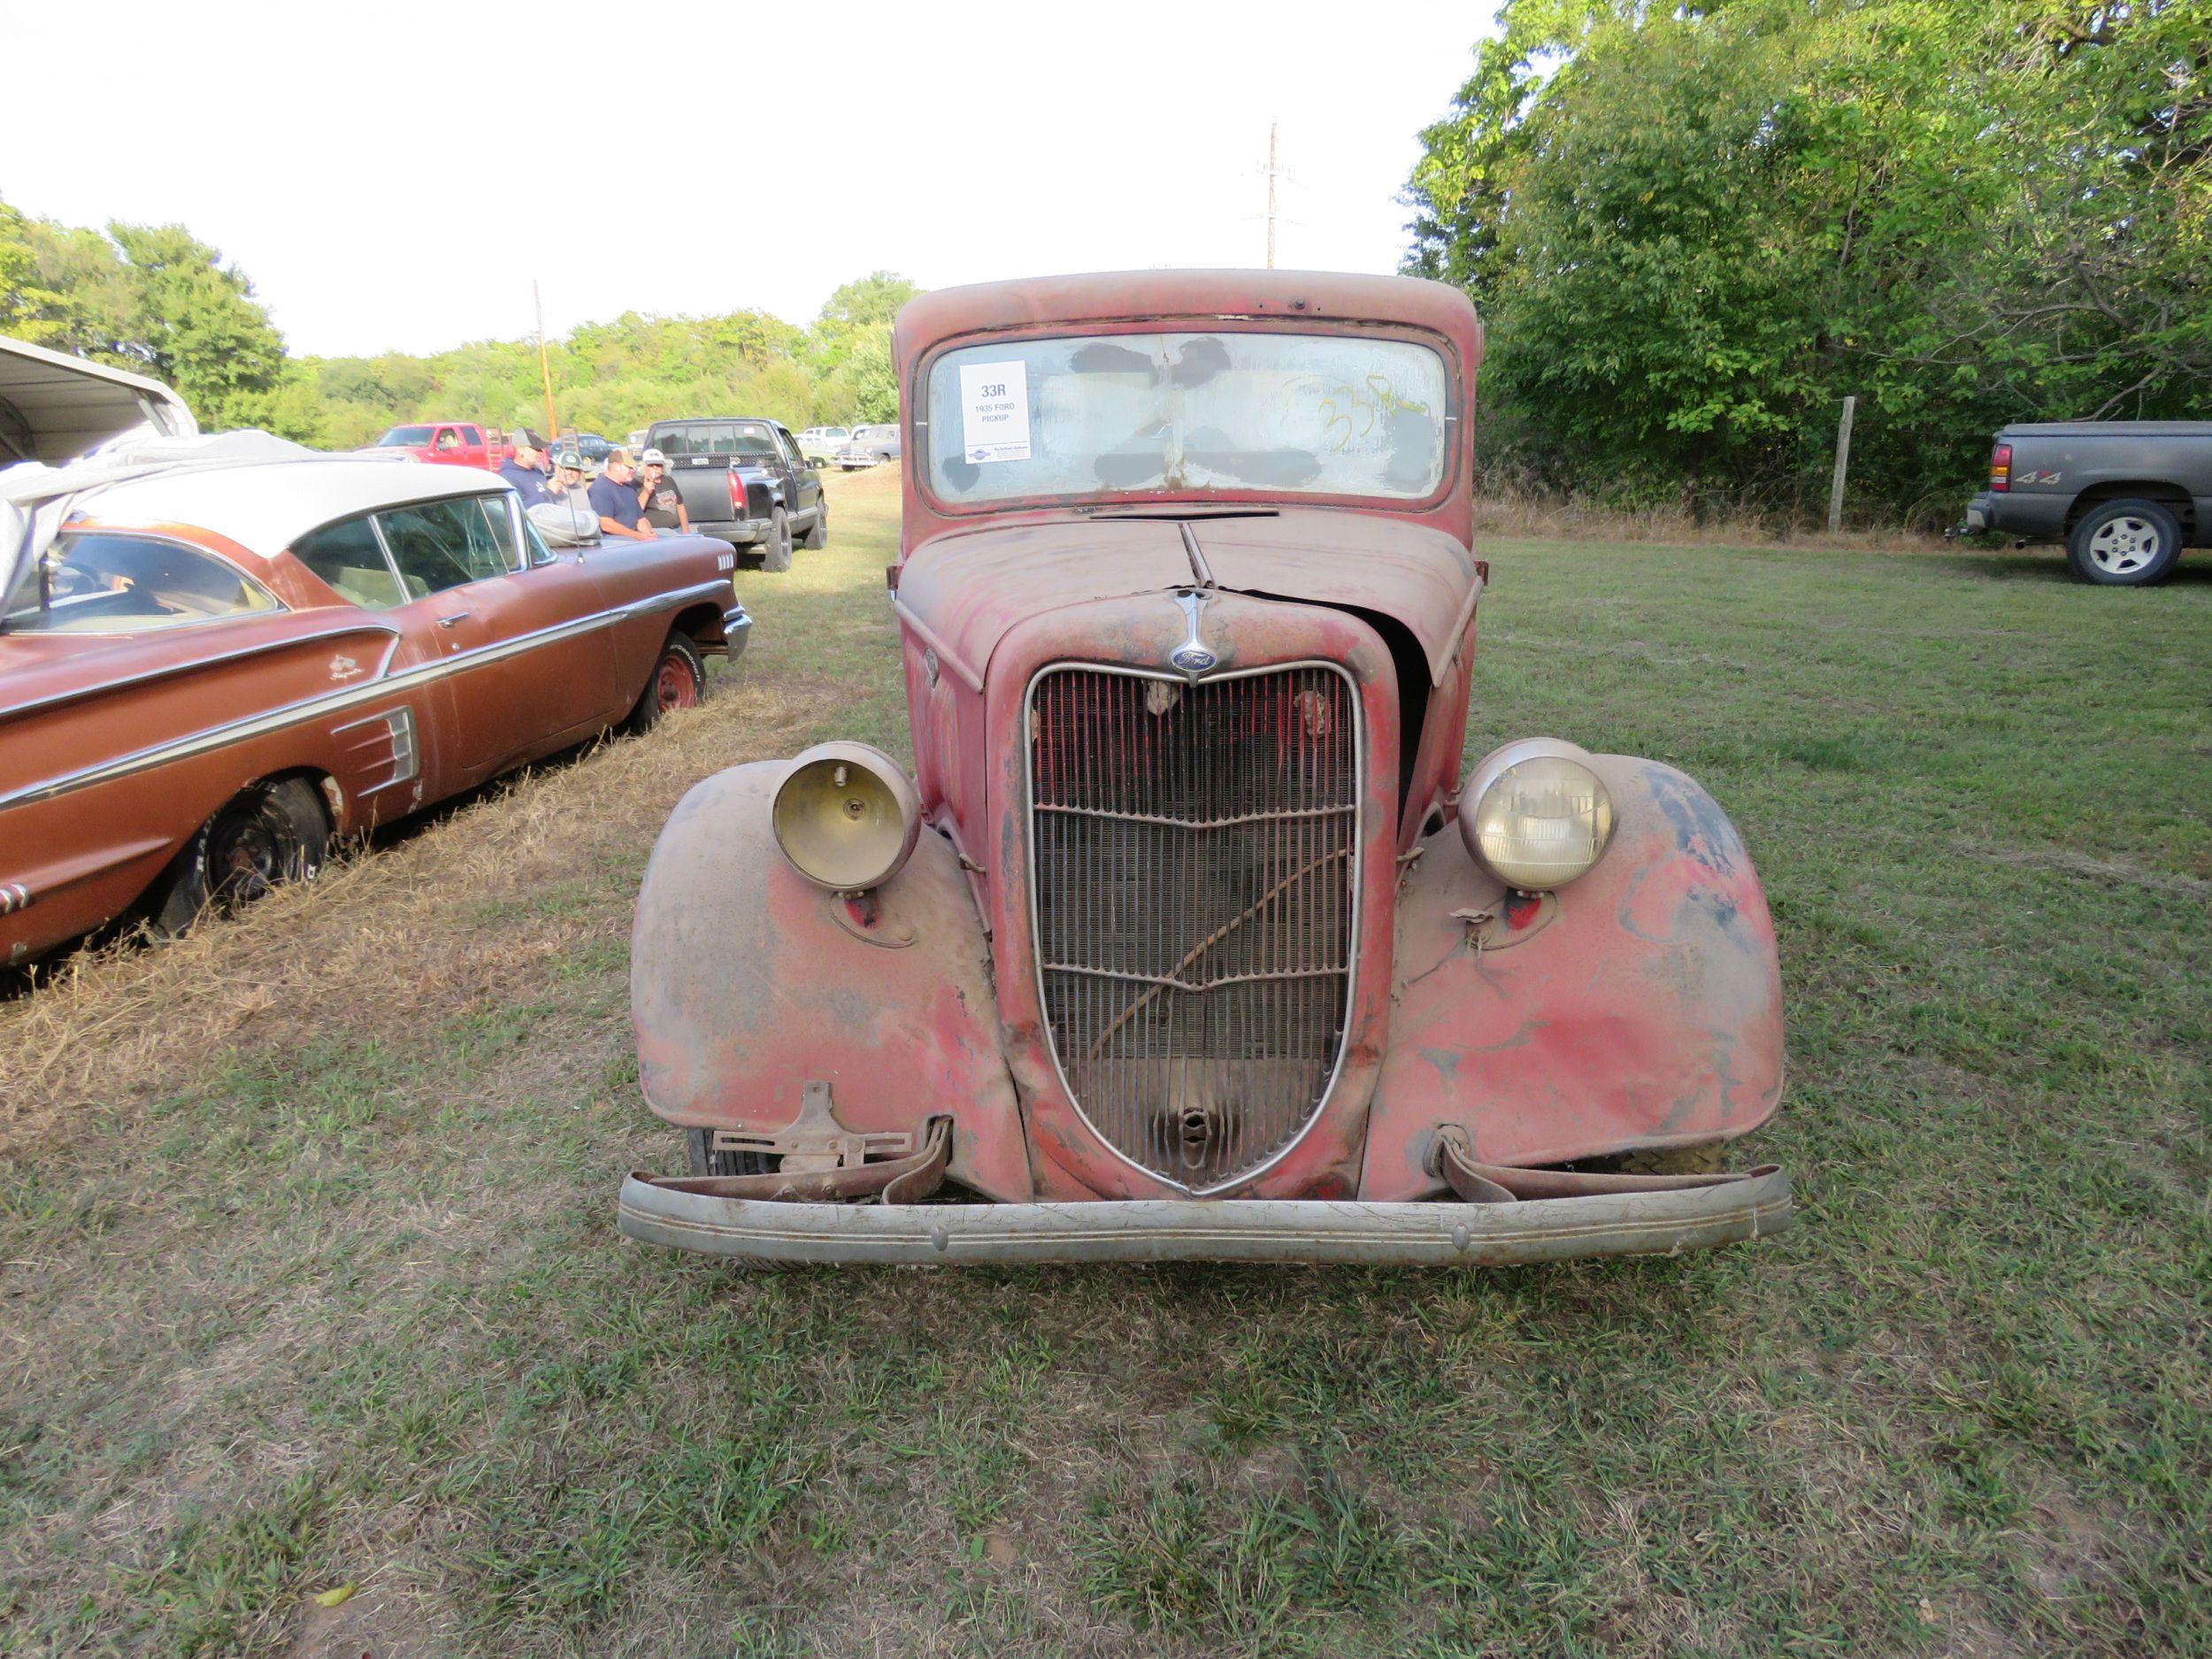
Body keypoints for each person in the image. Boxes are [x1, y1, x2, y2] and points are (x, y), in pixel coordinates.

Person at [588, 449, 654, 541]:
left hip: (633, 538)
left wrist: (649, 534)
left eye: (633, 468)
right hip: (612, 542)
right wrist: (638, 536)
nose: (633, 470)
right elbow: (606, 524)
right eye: (629, 467)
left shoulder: (628, 488)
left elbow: (640, 519)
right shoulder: (600, 488)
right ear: (616, 466)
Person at [636, 448, 688, 534]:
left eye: (658, 465)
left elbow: (680, 506)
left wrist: (686, 531)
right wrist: (646, 492)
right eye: (651, 465)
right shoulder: (638, 483)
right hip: (656, 531)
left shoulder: (668, 480)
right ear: (644, 466)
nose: (655, 467)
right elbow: (636, 510)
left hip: (676, 529)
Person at [499, 428, 552, 505]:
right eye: (536, 449)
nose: (541, 452)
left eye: (541, 449)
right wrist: (549, 492)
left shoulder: (538, 472)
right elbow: (518, 510)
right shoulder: (507, 477)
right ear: (521, 450)